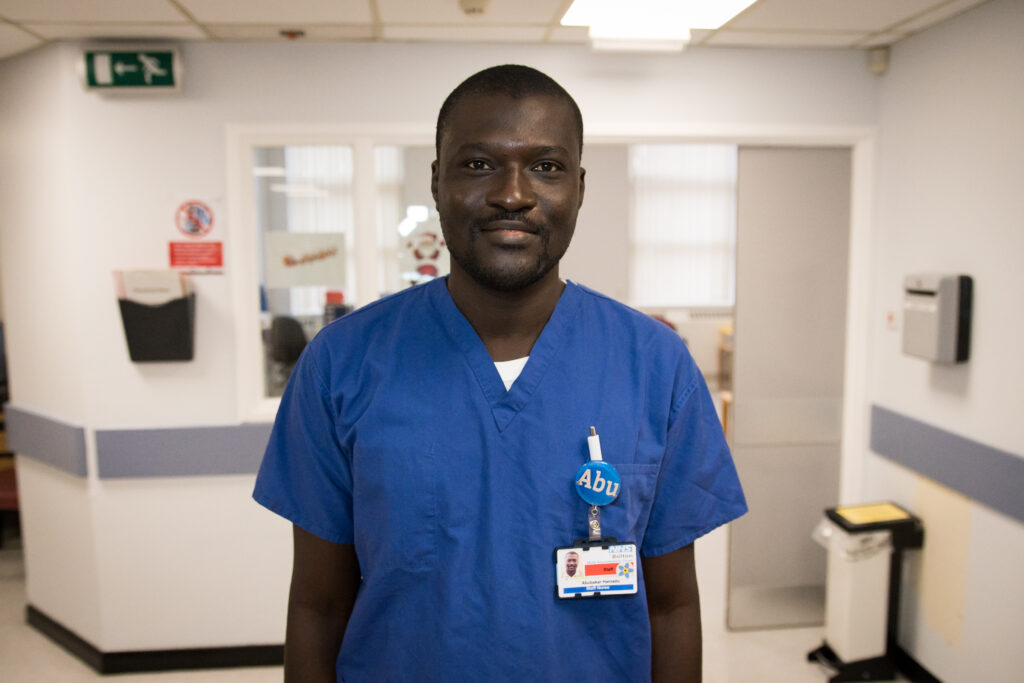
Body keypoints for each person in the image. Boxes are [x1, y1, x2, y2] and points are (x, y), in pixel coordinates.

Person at [254, 64, 747, 682]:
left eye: (546, 166)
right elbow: (317, 607)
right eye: (479, 163)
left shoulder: (655, 364)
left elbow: (673, 606)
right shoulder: (342, 364)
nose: (513, 193)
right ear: (438, 182)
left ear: (579, 187)